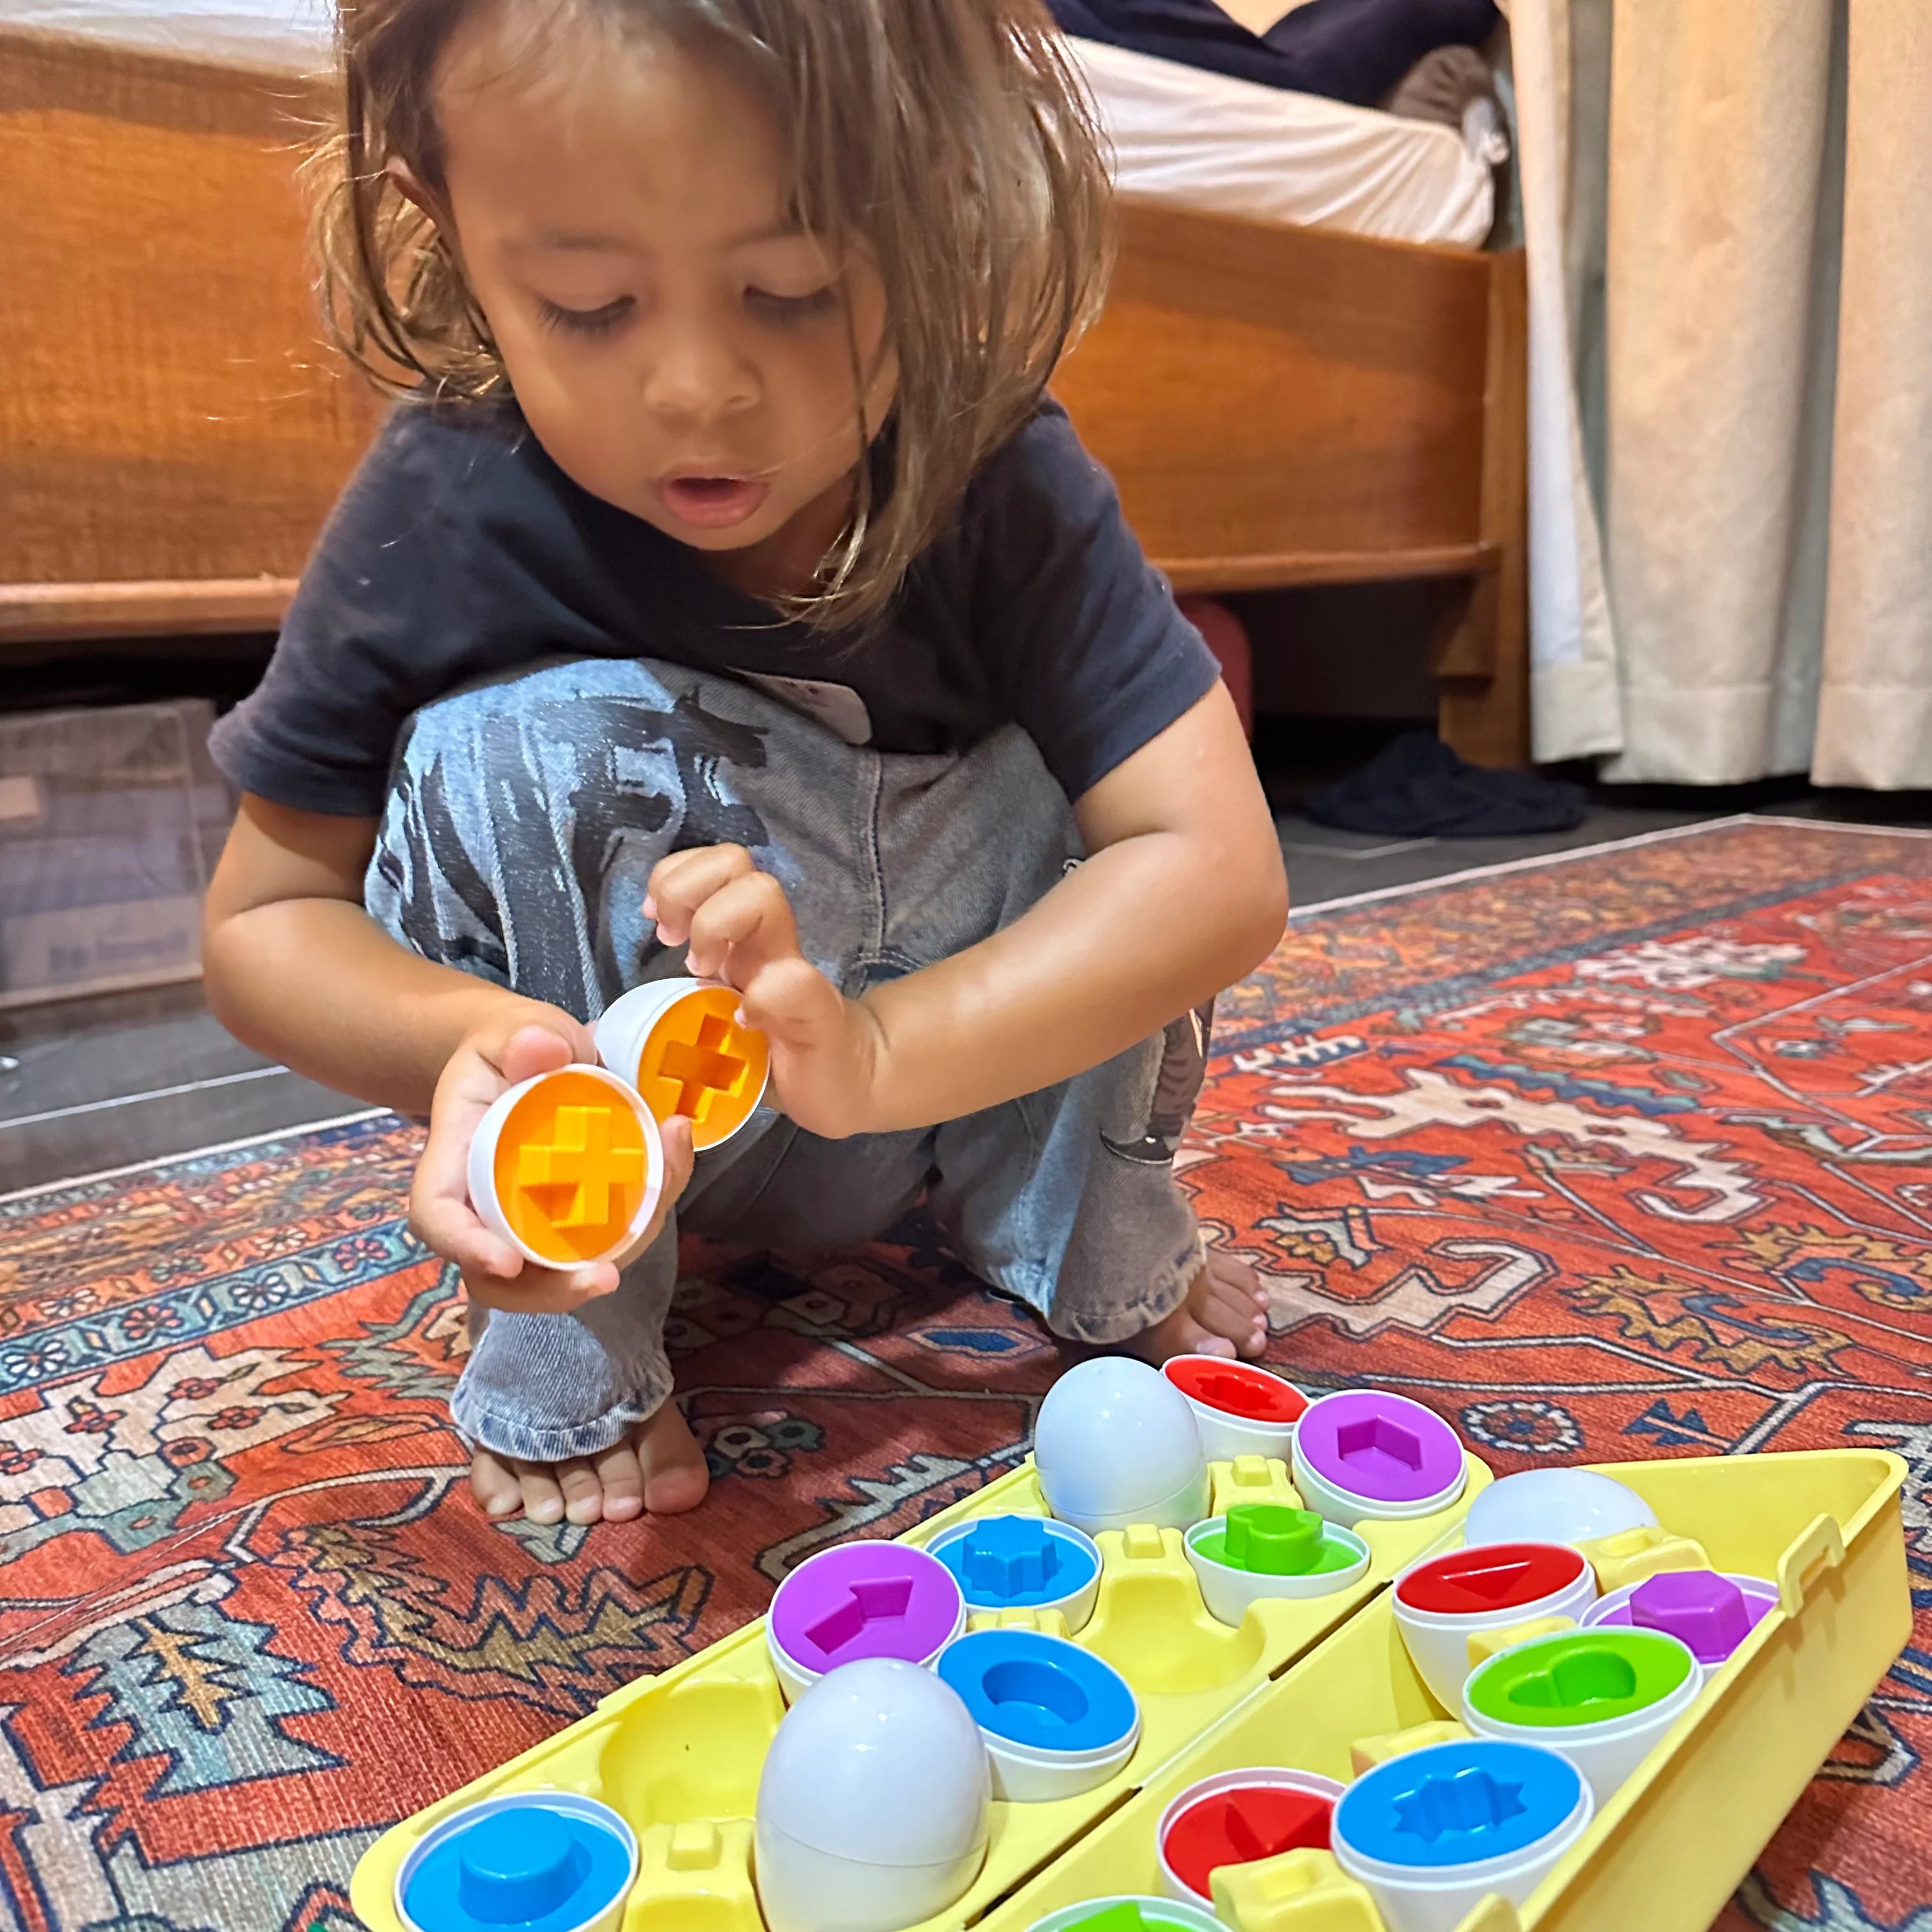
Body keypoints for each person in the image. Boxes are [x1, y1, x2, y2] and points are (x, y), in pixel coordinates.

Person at [202, 0, 1289, 1532]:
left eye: (798, 290)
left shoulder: (993, 464)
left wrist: (886, 1050)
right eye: (588, 304)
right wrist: (480, 1050)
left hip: (928, 1076)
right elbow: (261, 926)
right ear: (439, 222)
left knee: (1107, 787)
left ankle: (1076, 1228)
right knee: (513, 747)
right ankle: (572, 1339)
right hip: (631, 1133)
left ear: (952, 204)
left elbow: (1220, 867)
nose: (698, 386)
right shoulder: (447, 491)